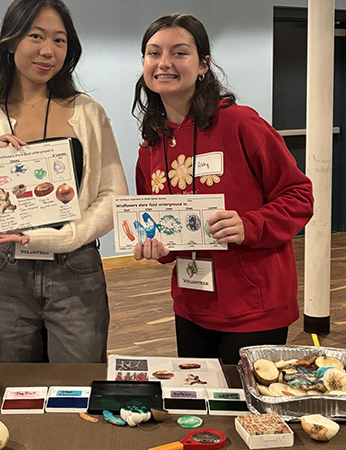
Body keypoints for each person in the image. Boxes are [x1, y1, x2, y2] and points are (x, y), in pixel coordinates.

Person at [131, 14, 314, 364]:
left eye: (179, 53)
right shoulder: (150, 146)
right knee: (202, 407)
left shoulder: (241, 123)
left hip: (254, 306)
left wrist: (249, 225)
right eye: (154, 53)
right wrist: (156, 246)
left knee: (248, 414)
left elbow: (299, 195)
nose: (164, 63)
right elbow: (160, 230)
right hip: (191, 303)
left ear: (203, 64)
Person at [0, 0, 127, 363]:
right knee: (16, 391)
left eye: (60, 40)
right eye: (36, 36)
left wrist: (66, 237)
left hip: (76, 266)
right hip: (8, 271)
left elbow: (114, 197)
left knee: (78, 390)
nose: (48, 50)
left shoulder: (89, 113)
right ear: (11, 42)